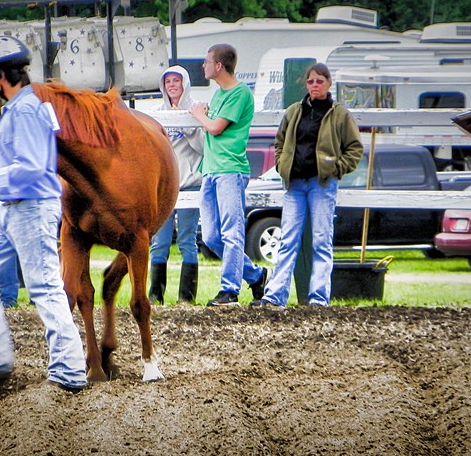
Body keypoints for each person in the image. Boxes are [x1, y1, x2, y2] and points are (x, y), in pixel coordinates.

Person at [0, 35, 87, 392]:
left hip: (31, 209)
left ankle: (69, 372)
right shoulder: (19, 107)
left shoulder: (24, 110)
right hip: (11, 209)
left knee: (44, 287)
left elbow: (31, 169)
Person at [251, 63, 363, 308]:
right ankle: (275, 295)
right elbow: (280, 142)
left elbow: (355, 148)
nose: (315, 86)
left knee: (321, 240)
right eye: (311, 81)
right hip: (295, 184)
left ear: (329, 83)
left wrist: (336, 168)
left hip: (322, 184)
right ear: (306, 84)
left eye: (319, 81)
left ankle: (319, 298)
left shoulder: (339, 114)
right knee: (288, 240)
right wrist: (282, 165)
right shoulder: (293, 112)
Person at [189, 43, 269, 306]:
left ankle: (230, 290)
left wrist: (200, 114)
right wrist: (204, 113)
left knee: (231, 232)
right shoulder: (219, 94)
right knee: (211, 236)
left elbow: (215, 128)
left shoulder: (239, 93)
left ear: (219, 66)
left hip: (230, 170)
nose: (204, 66)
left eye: (207, 61)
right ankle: (256, 276)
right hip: (211, 169)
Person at [149, 65, 203, 304]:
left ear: (185, 84)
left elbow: (203, 148)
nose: (172, 85)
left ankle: (186, 298)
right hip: (163, 187)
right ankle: (155, 296)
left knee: (187, 240)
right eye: (168, 81)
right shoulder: (157, 113)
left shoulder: (196, 110)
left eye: (176, 81)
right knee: (159, 242)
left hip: (189, 184)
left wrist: (185, 124)